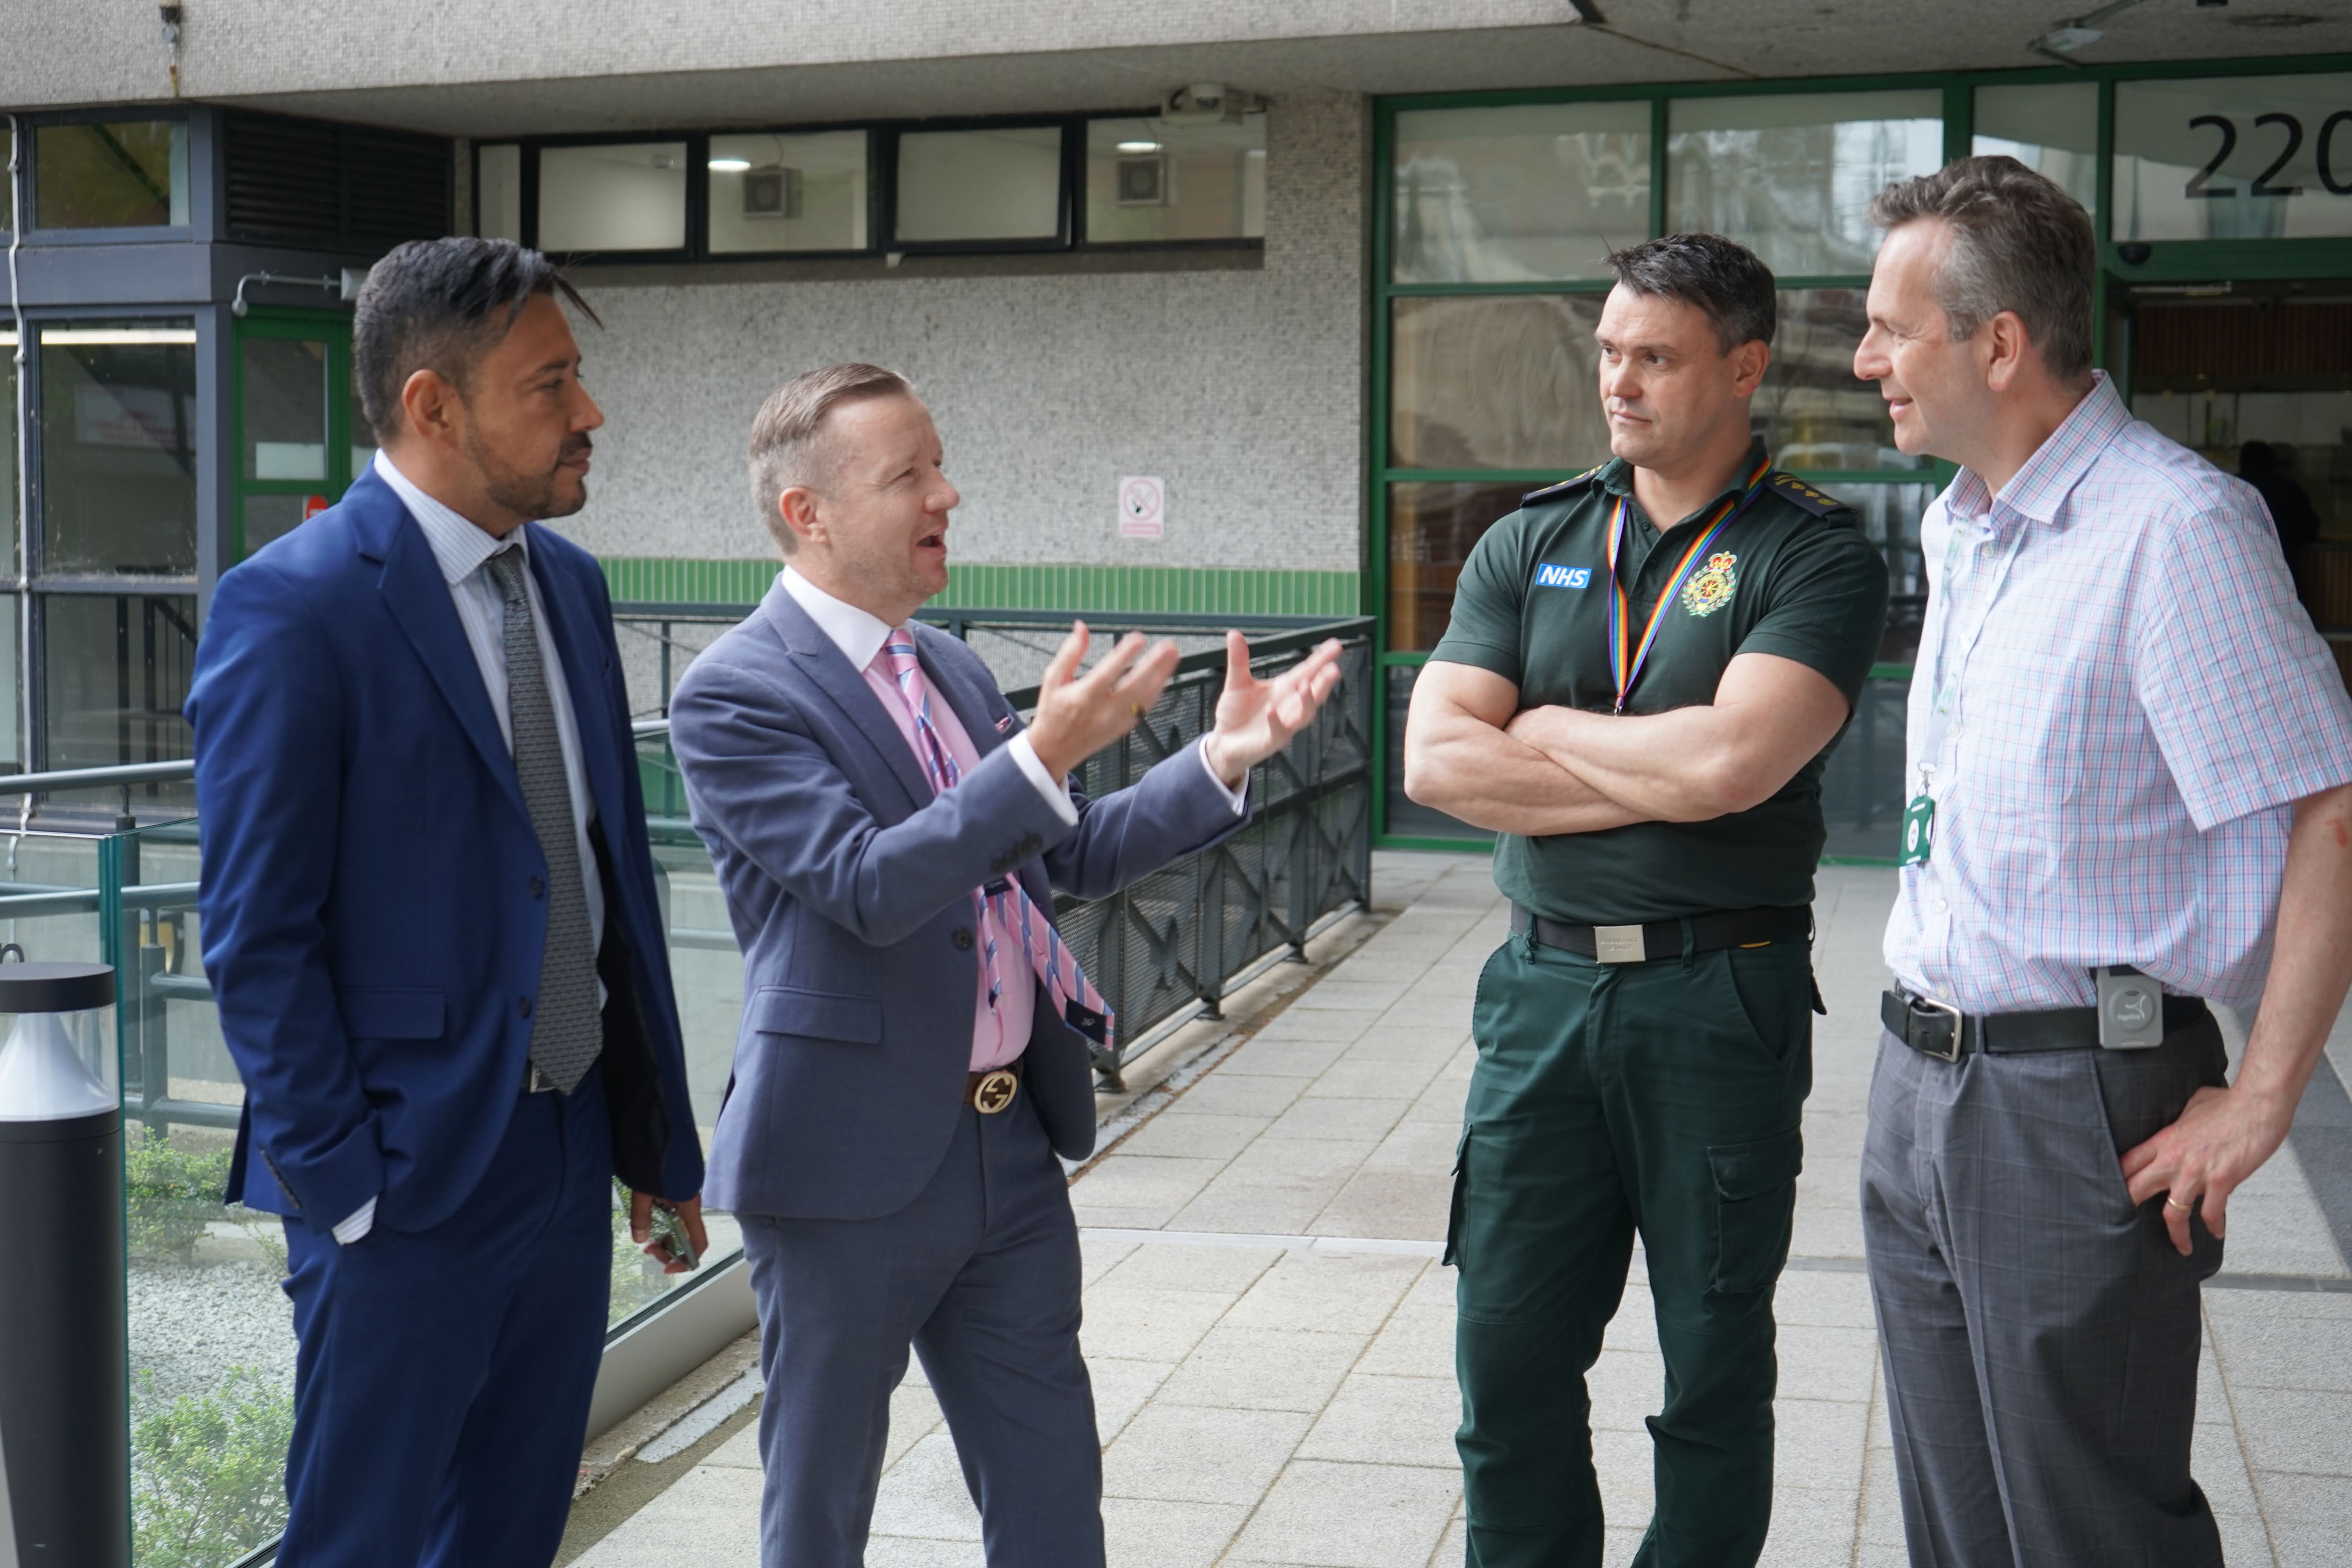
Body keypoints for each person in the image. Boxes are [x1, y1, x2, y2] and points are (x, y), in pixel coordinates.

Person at [666, 362, 1344, 1568]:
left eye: (941, 463)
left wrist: (1222, 761)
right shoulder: (735, 693)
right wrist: (1040, 757)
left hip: (1007, 1146)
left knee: (1051, 1493)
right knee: (819, 1511)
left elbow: (1061, 857)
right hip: (841, 1169)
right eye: (909, 475)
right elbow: (870, 885)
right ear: (807, 514)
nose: (948, 494)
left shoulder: (951, 669)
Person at [1855, 156, 2352, 1568]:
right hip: (1919, 1080)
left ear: (1999, 344)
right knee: (1960, 1529)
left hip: (2075, 1100)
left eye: (1894, 327)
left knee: (2087, 1533)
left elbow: (2331, 816)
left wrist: (2263, 1102)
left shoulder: (2174, 527)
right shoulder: (1966, 528)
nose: (1866, 358)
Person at [187, 238, 708, 1568]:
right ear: (434, 406)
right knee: (361, 1543)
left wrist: (647, 1137)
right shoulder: (291, 611)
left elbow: (601, 877)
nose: (589, 414)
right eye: (551, 385)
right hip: (401, 1183)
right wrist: (348, 1192)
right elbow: (258, 935)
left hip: (568, 1144)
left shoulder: (574, 588)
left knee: (513, 1529)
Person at [1403, 233, 1890, 1568]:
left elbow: (1742, 761)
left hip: (1716, 998)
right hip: (1541, 992)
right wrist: (1669, 774)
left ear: (1743, 368)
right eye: (1610, 351)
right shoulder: (1532, 535)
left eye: (1655, 357)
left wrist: (1549, 728)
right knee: (1503, 1365)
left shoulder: (1816, 558)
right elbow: (1438, 758)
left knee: (1713, 1373)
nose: (1620, 381)